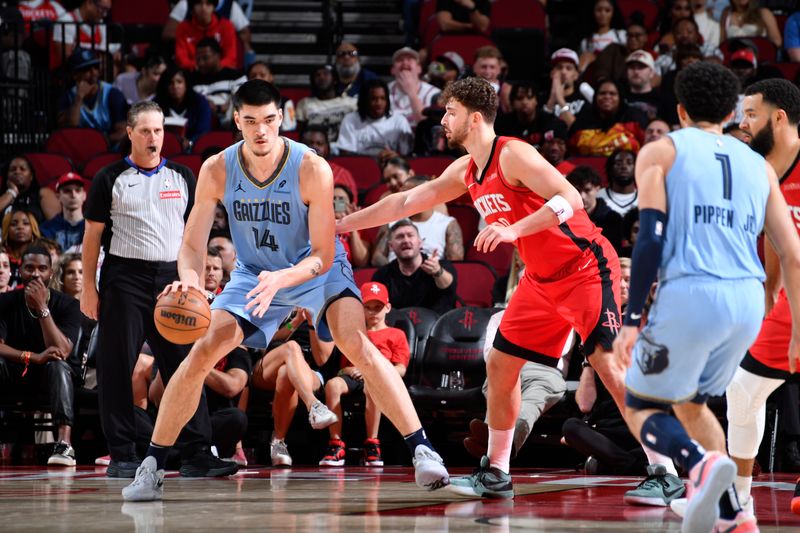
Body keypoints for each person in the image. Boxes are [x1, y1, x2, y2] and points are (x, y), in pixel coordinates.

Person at [122, 80, 450, 501]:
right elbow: (191, 244)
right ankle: (152, 465)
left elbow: (320, 254)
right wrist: (188, 279)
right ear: (237, 120)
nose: (261, 131)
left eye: (271, 120)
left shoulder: (311, 167)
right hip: (254, 273)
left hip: (317, 271)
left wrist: (283, 278)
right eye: (251, 121)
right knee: (202, 349)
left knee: (355, 341)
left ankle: (422, 449)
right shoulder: (217, 168)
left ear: (283, 117)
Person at [338, 77, 656, 500]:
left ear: (472, 117)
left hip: (585, 267)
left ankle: (664, 471)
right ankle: (497, 472)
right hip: (541, 281)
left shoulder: (514, 154)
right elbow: (403, 203)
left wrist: (514, 231)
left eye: (449, 112)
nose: (443, 120)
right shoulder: (466, 169)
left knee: (609, 367)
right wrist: (341, 224)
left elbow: (570, 200)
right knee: (501, 365)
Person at [613, 62, 800, 533]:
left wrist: (633, 318)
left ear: (679, 109)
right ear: (731, 112)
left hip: (693, 291)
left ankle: (697, 467)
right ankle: (733, 511)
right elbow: (792, 253)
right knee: (695, 401)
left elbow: (650, 239)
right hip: (747, 302)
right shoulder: (759, 165)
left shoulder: (662, 150)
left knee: (639, 401)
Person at [81, 101, 232, 480]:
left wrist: (194, 283)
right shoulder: (108, 177)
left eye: (159, 130)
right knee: (117, 369)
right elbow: (92, 238)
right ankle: (122, 454)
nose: (154, 138)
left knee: (187, 367)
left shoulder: (183, 176)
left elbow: (196, 237)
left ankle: (199, 451)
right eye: (146, 131)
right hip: (124, 279)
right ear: (129, 133)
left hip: (174, 278)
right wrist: (88, 287)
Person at [723, 79, 800, 520]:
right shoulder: (764, 170)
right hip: (792, 297)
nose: (743, 123)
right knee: (742, 391)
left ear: (779, 117)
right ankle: (738, 498)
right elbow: (777, 237)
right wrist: (770, 294)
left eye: (750, 114)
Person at [0, 245, 82, 466]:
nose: (35, 274)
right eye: (29, 268)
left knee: (57, 364)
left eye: (42, 268)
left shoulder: (69, 305)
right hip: (16, 372)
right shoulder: (5, 302)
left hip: (51, 377)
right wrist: (33, 357)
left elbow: (63, 350)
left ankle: (64, 444)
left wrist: (42, 308)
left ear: (51, 273)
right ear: (21, 271)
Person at [319, 282, 410, 467]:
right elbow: (342, 368)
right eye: (367, 307)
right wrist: (348, 370)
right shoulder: (354, 334)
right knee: (332, 384)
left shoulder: (396, 334)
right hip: (353, 374)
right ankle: (336, 444)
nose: (373, 312)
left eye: (378, 307)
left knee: (372, 387)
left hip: (378, 377)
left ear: (388, 307)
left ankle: (372, 444)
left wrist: (377, 371)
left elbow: (401, 368)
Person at [251, 307, 338, 467]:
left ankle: (278, 442)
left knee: (286, 373)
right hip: (268, 364)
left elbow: (321, 359)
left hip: (308, 369)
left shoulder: (325, 313)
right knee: (291, 347)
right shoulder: (277, 302)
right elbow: (262, 343)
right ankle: (314, 405)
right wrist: (296, 322)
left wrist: (311, 323)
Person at [370, 177, 463, 266]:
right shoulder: (391, 221)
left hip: (431, 277)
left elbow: (455, 260)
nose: (402, 198)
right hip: (395, 278)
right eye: (402, 193)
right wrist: (398, 271)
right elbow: (377, 257)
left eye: (407, 193)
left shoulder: (447, 224)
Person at [371, 219, 457, 314]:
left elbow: (449, 287)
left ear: (420, 242)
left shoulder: (441, 266)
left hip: (436, 325)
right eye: (400, 237)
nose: (406, 240)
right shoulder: (382, 275)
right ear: (391, 246)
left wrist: (437, 272)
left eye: (410, 235)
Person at [57, 48, 128, 146]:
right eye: (87, 69)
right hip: (78, 149)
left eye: (96, 67)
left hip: (108, 150)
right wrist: (79, 98)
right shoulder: (67, 97)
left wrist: (96, 142)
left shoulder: (112, 94)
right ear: (75, 75)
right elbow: (69, 129)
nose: (93, 72)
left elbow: (122, 133)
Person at [335, 78, 413, 158]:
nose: (379, 103)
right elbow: (346, 154)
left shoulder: (399, 121)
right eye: (374, 99)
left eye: (382, 98)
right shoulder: (351, 120)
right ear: (364, 100)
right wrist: (375, 158)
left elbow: (407, 155)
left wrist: (395, 156)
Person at [569, 79, 647, 157]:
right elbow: (571, 149)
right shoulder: (583, 120)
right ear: (595, 97)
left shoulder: (634, 117)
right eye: (602, 93)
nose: (607, 97)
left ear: (620, 97)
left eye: (612, 94)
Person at [567, 165, 624, 253]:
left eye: (587, 190)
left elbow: (614, 251)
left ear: (597, 188)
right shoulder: (565, 217)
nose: (582, 196)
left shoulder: (613, 218)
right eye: (577, 190)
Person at [154, 67, 212, 152]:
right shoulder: (156, 104)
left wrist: (190, 142)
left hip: (193, 148)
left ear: (186, 84)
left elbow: (203, 131)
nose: (175, 86)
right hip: (163, 148)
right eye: (170, 83)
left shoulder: (200, 102)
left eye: (179, 82)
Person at [296, 64, 357, 144]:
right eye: (317, 75)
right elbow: (301, 134)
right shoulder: (304, 104)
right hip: (316, 149)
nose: (321, 77)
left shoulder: (352, 103)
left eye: (326, 74)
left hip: (346, 149)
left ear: (335, 79)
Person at [175, 0, 238, 72]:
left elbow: (231, 58)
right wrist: (201, 67)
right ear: (192, 7)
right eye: (199, 3)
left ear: (214, 7)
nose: (203, 8)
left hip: (220, 72)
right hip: (193, 73)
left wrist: (214, 67)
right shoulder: (183, 27)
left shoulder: (227, 26)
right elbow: (181, 59)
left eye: (208, 3)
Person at [388, 47, 440, 128]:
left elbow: (426, 126)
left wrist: (411, 92)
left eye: (409, 60)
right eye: (400, 60)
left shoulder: (433, 93)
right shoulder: (383, 92)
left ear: (419, 68)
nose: (405, 63)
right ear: (392, 70)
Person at [1, 155, 58, 222]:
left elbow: (56, 226)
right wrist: (12, 192)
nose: (17, 172)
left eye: (23, 169)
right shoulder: (2, 197)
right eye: (13, 169)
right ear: (7, 175)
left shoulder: (42, 193)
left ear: (31, 176)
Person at [40, 172, 86, 253]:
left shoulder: (95, 228)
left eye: (78, 190)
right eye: (67, 191)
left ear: (84, 195)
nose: (73, 195)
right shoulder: (47, 228)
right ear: (58, 196)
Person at [543, 48, 588, 129]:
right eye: (559, 67)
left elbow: (576, 132)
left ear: (576, 75)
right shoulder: (541, 100)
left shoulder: (584, 102)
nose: (563, 72)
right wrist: (551, 101)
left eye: (569, 68)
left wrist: (560, 100)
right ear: (552, 73)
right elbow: (540, 131)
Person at [2, 209, 41, 287]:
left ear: (33, 228)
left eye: (26, 223)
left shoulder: (41, 257)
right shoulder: (1, 257)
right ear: (6, 229)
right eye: (13, 224)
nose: (20, 227)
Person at [598, 149, 638, 217]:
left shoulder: (644, 199)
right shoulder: (598, 196)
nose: (624, 167)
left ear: (636, 168)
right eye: (618, 163)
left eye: (629, 163)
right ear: (610, 168)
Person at [623, 51, 659, 121]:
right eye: (632, 67)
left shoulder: (663, 100)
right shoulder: (619, 97)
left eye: (641, 67)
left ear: (651, 72)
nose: (636, 72)